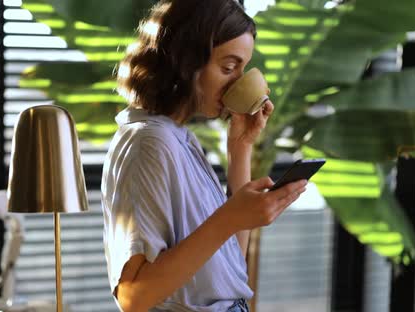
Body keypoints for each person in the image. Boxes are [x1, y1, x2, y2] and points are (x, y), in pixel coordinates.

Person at [100, 0, 307, 311]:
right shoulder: (149, 143)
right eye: (228, 67)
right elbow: (134, 297)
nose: (238, 81)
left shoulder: (179, 138)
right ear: (187, 61)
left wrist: (240, 147)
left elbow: (228, 265)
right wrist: (228, 219)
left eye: (242, 68)